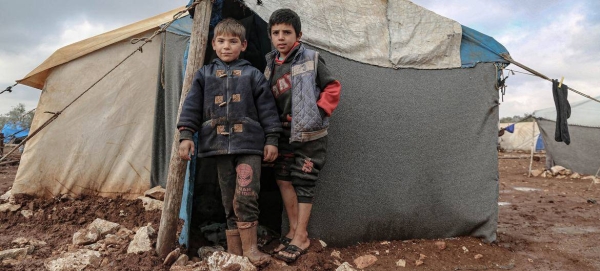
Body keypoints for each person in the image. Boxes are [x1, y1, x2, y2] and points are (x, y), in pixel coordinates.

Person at [177, 18, 282, 267]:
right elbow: (191, 107)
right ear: (213, 44)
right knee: (228, 199)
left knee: (246, 194)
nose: (227, 46)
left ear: (243, 45)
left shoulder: (252, 75)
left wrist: (272, 140)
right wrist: (186, 136)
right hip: (219, 146)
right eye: (221, 41)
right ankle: (236, 251)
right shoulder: (204, 75)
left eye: (233, 41)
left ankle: (252, 250)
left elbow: (268, 110)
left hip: (249, 145)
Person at [265, 9, 342, 263]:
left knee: (304, 181)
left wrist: (318, 112)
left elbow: (332, 86)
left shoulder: (310, 58)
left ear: (299, 34)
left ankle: (301, 237)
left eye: (287, 32)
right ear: (270, 36)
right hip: (283, 133)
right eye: (276, 32)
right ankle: (295, 231)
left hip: (310, 134)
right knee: (283, 179)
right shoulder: (269, 64)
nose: (281, 37)